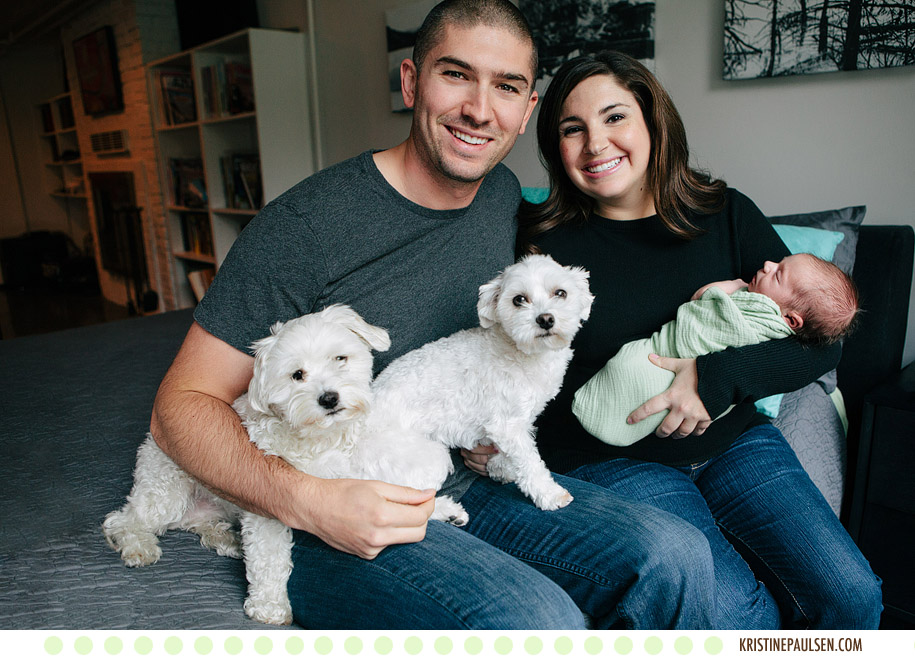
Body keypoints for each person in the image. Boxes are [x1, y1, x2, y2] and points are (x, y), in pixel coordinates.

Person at [149, 3, 717, 629]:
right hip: (335, 502)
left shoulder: (503, 196)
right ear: (411, 81)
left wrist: (707, 315)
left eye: (506, 87)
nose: (480, 109)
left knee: (675, 555)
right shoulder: (305, 224)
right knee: (535, 623)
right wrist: (307, 500)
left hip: (465, 476)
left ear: (527, 110)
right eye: (455, 75)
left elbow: (568, 294)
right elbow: (181, 405)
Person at [509, 50, 881, 629]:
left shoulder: (723, 211)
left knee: (852, 596)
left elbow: (819, 341)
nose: (595, 144)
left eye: (613, 117)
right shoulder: (538, 239)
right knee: (738, 619)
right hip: (617, 461)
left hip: (733, 442)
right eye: (571, 129)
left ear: (653, 122)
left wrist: (710, 381)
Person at [573, 253, 860, 447]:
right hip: (640, 451)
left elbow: (701, 303)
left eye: (778, 274)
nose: (768, 263)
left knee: (632, 368)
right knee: (628, 370)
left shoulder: (758, 314)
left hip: (730, 436)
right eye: (777, 263)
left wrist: (733, 287)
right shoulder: (773, 299)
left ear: (790, 321)